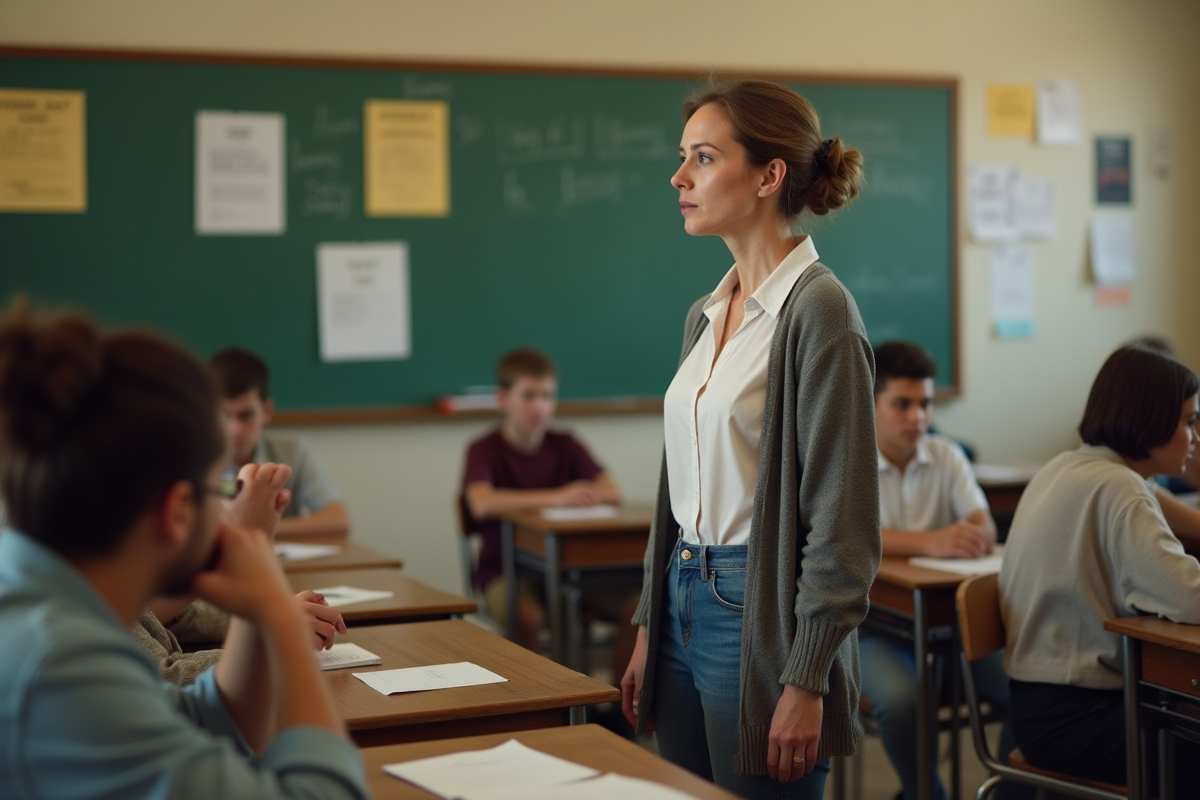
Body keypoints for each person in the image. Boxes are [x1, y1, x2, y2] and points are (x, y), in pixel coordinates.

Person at [620, 78, 881, 800]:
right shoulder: (706, 311)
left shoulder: (819, 311)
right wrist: (650, 622)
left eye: (703, 158)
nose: (679, 177)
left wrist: (807, 675)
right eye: (683, 157)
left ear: (769, 176)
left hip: (756, 608)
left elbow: (845, 523)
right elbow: (677, 488)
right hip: (679, 594)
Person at [0, 302, 368, 799]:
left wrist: (259, 613)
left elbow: (203, 719)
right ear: (178, 510)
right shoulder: (57, 663)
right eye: (218, 488)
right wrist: (279, 618)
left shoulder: (39, 593)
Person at [1000, 345, 1200, 790]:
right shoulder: (1119, 487)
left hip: (1039, 709)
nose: (1195, 436)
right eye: (1189, 421)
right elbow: (1190, 598)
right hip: (1077, 718)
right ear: (1153, 420)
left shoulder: (1063, 465)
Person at [863, 340, 1018, 800]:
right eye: (902, 405)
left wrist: (971, 531)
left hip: (951, 628)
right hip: (871, 626)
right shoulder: (848, 460)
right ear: (870, 404)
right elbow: (850, 539)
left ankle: (1012, 793)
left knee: (1030, 684)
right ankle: (925, 793)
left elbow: (983, 524)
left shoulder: (947, 455)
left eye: (925, 404)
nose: (918, 417)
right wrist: (932, 541)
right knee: (902, 701)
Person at [461, 348, 633, 669]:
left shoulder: (565, 443)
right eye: (528, 395)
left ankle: (621, 712)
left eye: (547, 396)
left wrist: (579, 495)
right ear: (503, 399)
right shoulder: (484, 449)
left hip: (572, 571)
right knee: (528, 615)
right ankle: (532, 707)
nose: (539, 406)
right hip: (505, 570)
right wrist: (558, 497)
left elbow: (612, 491)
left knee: (640, 606)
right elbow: (481, 503)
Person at [209, 347, 350, 538]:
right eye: (224, 415)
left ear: (266, 410)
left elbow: (339, 520)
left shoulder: (293, 452)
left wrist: (259, 528)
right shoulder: (191, 458)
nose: (235, 429)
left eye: (246, 415)